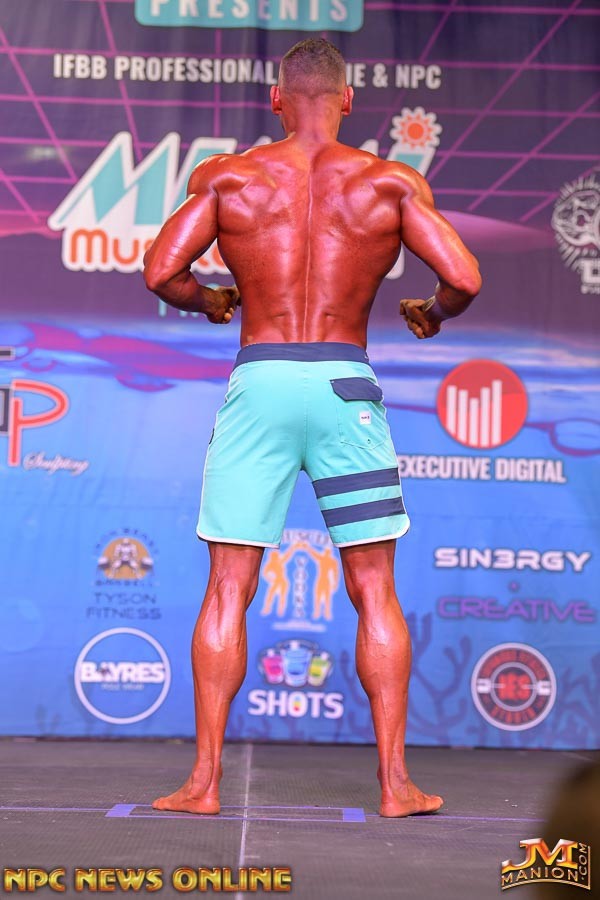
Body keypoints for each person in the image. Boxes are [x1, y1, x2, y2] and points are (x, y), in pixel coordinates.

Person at [143, 37, 481, 818]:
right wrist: (433, 313)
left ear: (276, 99)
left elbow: (161, 270)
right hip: (343, 386)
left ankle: (203, 784)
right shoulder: (389, 183)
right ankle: (395, 785)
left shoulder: (228, 178)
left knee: (229, 585)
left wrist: (212, 300)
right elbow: (464, 276)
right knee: (374, 587)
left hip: (260, 382)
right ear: (348, 100)